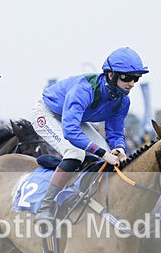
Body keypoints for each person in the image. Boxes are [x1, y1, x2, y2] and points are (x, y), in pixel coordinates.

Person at [32, 47, 149, 223]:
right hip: (47, 113)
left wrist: (119, 148)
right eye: (127, 77)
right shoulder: (84, 89)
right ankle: (45, 206)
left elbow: (115, 132)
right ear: (111, 75)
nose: (132, 83)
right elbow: (70, 131)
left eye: (136, 78)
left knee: (106, 155)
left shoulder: (123, 100)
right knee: (76, 153)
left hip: (75, 120)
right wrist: (104, 153)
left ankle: (84, 197)